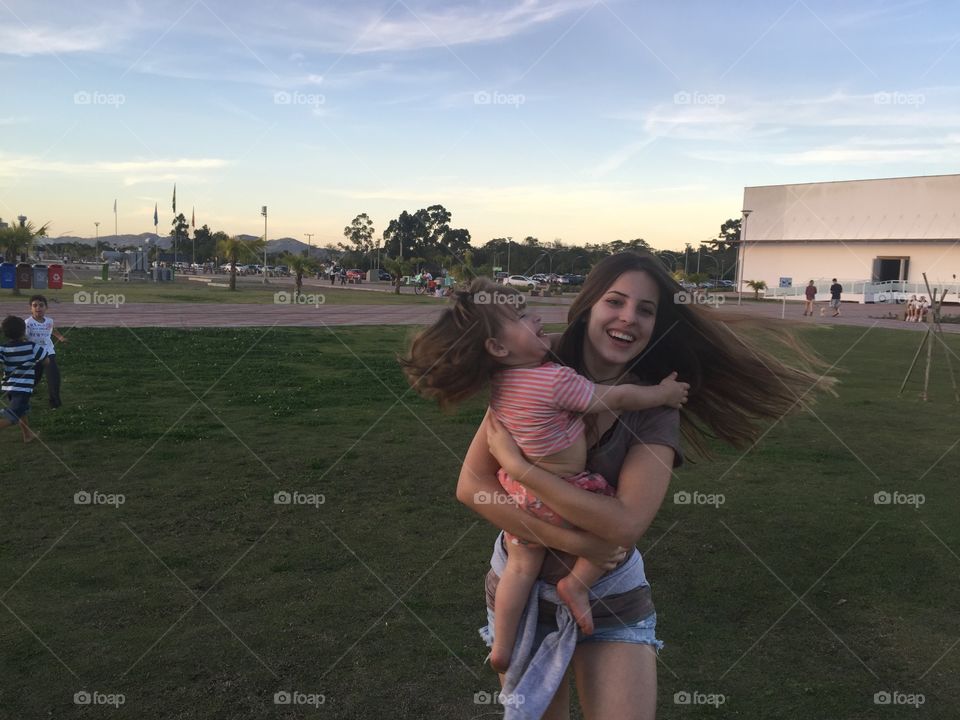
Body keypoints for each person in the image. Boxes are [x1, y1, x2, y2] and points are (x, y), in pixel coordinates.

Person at [456, 251, 835, 720]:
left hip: (611, 593)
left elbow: (624, 524)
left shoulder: (656, 406)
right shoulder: (533, 368)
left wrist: (523, 469)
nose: (628, 318)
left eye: (646, 309)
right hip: (522, 589)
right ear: (590, 305)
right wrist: (575, 542)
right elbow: (472, 486)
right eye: (615, 301)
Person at [401, 278, 689, 675]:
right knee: (606, 520)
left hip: (517, 495)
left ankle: (501, 645)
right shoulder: (555, 379)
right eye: (522, 317)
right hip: (567, 487)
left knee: (521, 568)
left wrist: (518, 468)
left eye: (645, 309)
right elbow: (616, 399)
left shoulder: (503, 382)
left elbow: (542, 345)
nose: (536, 319)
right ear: (498, 348)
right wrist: (662, 394)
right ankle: (577, 583)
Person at [0, 315, 48, 443]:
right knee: (13, 416)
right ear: (24, 331)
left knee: (22, 410)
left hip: (9, 387)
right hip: (23, 388)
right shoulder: (31, 346)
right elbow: (46, 361)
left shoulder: (3, 348)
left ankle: (27, 436)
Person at [25, 295, 66, 409]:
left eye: (41, 305)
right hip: (34, 355)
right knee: (35, 377)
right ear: (31, 308)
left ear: (46, 307)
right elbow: (22, 337)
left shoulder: (49, 321)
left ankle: (55, 402)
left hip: (48, 353)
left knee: (53, 375)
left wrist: (61, 337)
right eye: (35, 305)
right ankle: (21, 393)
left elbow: (52, 330)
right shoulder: (27, 323)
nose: (38, 308)